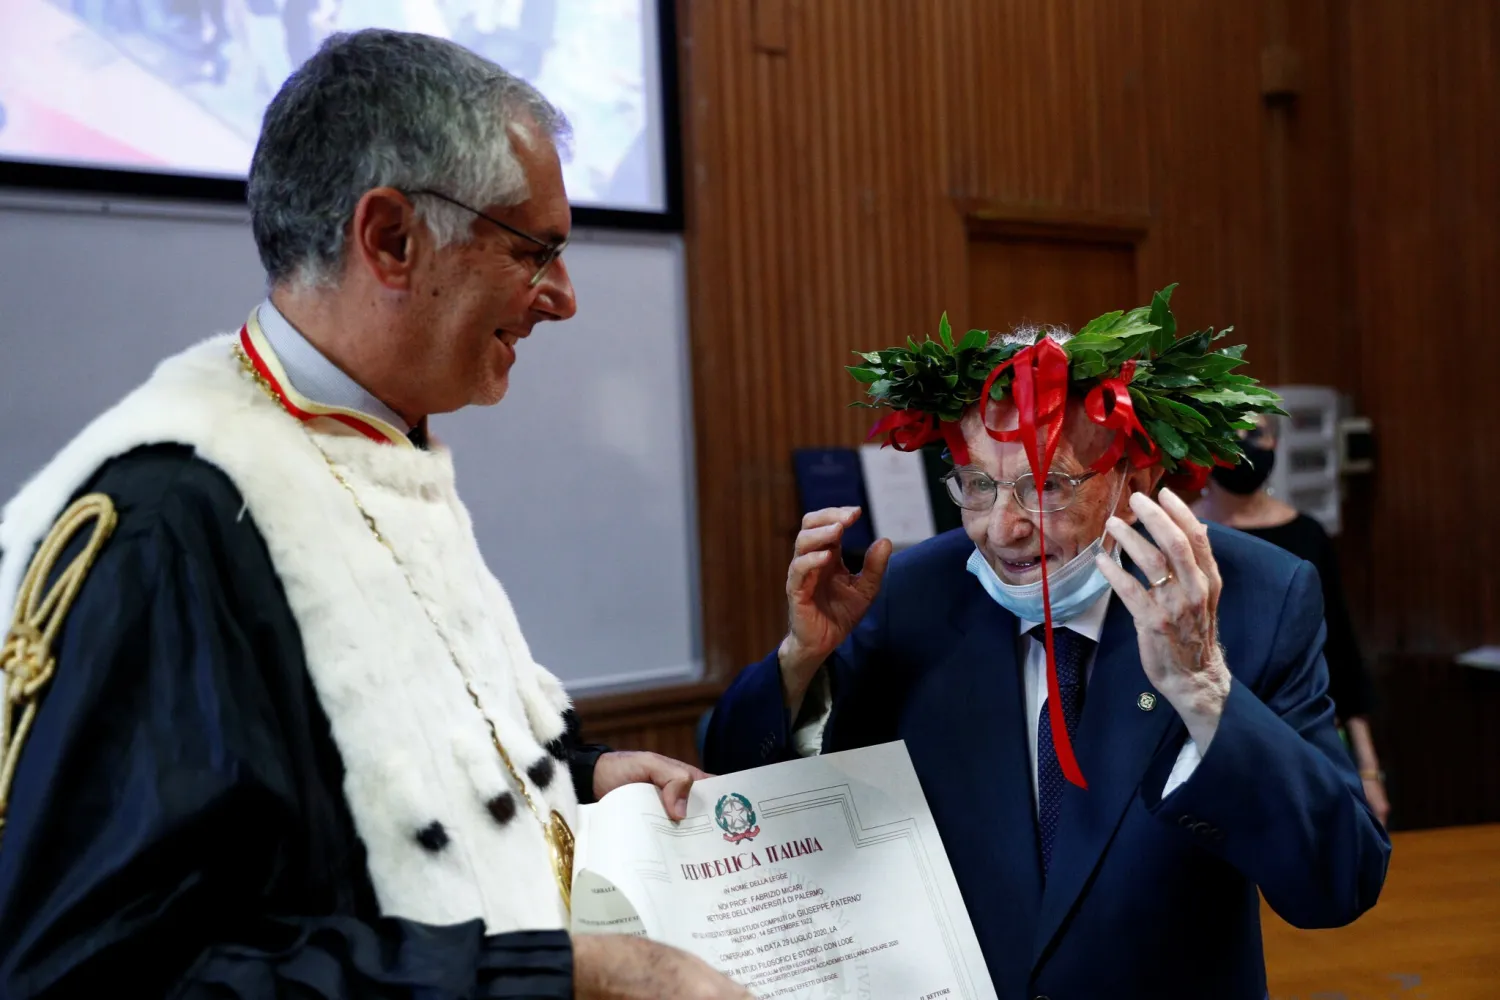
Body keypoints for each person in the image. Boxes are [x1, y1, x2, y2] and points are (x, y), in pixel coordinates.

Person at [0, 30, 748, 1000]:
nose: (562, 299)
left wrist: (586, 772)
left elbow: (381, 756)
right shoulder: (172, 517)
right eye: (537, 251)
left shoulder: (369, 442)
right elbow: (97, 975)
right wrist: (567, 975)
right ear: (391, 238)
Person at [704, 292, 1390, 999]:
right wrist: (800, 661)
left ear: (1137, 480)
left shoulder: (1256, 597)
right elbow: (734, 790)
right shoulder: (912, 593)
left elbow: (1340, 883)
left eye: (1046, 488)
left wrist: (1206, 691)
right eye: (976, 485)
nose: (1002, 529)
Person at [1194, 415, 1389, 824]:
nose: (1245, 444)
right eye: (1229, 433)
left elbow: (1340, 648)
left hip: (1301, 733)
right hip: (1207, 735)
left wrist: (1368, 769)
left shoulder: (1306, 535)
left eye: (1256, 434)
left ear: (1276, 442)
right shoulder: (1183, 533)